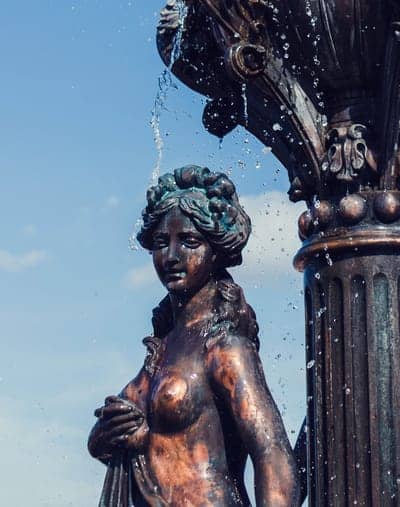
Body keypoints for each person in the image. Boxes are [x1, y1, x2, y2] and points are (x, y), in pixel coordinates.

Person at [88, 166, 296, 507]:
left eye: (189, 242)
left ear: (216, 251)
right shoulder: (162, 349)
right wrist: (104, 434)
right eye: (161, 243)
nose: (171, 256)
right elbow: (117, 441)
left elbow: (271, 451)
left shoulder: (224, 347)